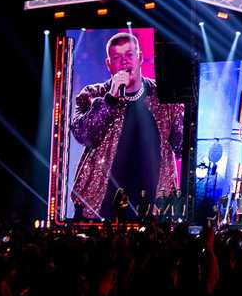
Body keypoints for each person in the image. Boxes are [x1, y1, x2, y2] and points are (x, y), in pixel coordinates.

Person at [70, 32, 184, 220]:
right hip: (99, 204)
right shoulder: (91, 94)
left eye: (129, 55)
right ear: (109, 64)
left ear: (139, 58)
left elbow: (181, 148)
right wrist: (110, 98)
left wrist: (182, 104)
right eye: (117, 57)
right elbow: (84, 135)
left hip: (152, 207)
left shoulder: (164, 97)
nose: (123, 62)